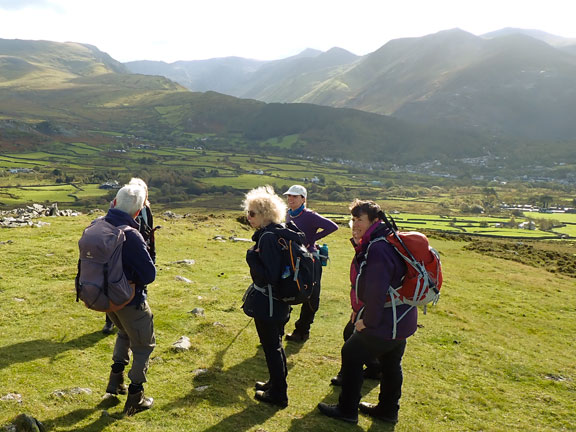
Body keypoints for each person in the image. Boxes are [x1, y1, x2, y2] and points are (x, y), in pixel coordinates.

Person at [318, 199, 417, 424]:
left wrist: (367, 322)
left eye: (359, 219)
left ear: (375, 220)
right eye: (352, 219)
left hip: (385, 320)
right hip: (402, 318)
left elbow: (376, 289)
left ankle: (347, 410)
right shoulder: (388, 239)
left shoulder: (379, 248)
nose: (354, 224)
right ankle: (388, 411)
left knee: (351, 353)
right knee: (391, 364)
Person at [242, 185, 306, 408]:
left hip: (269, 302)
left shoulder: (268, 238)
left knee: (272, 347)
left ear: (265, 215)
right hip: (279, 301)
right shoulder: (280, 231)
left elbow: (268, 276)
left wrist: (251, 257)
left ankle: (279, 394)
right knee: (274, 345)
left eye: (252, 213)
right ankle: (274, 384)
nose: (248, 217)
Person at [104, 183, 157, 416]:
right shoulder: (132, 235)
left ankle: (115, 382)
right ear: (137, 212)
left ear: (114, 203)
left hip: (106, 299)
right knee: (144, 346)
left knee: (124, 333)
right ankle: (136, 397)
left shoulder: (99, 225)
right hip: (130, 300)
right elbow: (149, 274)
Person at [282, 185, 338, 342]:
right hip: (292, 257)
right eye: (289, 196)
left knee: (311, 294)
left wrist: (313, 239)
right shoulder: (288, 214)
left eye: (295, 196)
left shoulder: (309, 215)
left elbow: (332, 226)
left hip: (310, 259)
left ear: (303, 199)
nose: (290, 199)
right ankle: (280, 326)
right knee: (288, 289)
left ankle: (302, 331)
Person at [102, 178, 156, 335]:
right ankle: (111, 322)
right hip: (125, 247)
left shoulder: (146, 210)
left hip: (140, 247)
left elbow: (150, 231)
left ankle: (126, 322)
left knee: (134, 283)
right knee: (116, 283)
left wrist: (151, 253)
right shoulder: (122, 210)